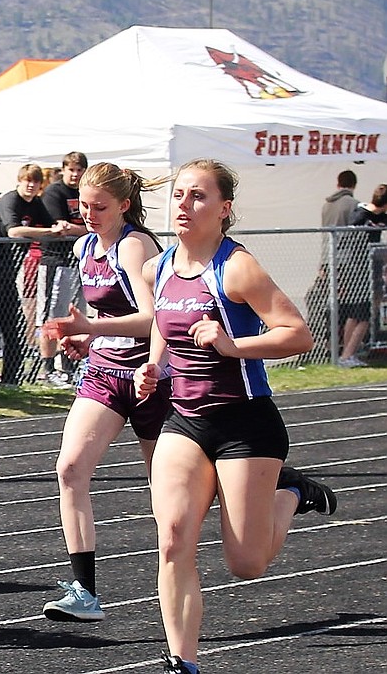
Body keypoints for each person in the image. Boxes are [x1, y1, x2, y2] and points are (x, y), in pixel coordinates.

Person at [134, 159, 336, 674]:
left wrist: (231, 345)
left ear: (224, 209)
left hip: (246, 423)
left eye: (197, 196)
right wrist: (153, 365)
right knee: (174, 537)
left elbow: (297, 333)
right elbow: (163, 320)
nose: (183, 204)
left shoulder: (237, 267)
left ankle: (291, 492)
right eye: (178, 194)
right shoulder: (157, 267)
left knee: (246, 564)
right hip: (184, 420)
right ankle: (182, 660)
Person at [37, 162, 168, 623]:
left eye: (99, 207)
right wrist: (88, 339)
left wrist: (93, 326)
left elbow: (155, 319)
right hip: (106, 374)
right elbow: (109, 318)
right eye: (83, 206)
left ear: (124, 206)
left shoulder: (135, 246)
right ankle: (84, 591)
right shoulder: (84, 246)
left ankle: (277, 484)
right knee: (70, 469)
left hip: (153, 376)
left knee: (171, 494)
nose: (89, 214)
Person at [0, 164, 68, 391]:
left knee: (14, 327)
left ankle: (10, 380)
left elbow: (52, 221)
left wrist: (59, 225)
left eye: (35, 182)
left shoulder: (36, 203)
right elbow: (14, 231)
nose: (30, 185)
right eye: (27, 180)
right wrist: (50, 232)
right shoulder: (11, 201)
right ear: (19, 181)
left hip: (9, 274)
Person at [38, 151, 89, 388]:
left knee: (75, 316)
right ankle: (48, 368)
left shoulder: (85, 192)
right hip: (57, 261)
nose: (75, 174)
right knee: (52, 315)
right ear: (64, 169)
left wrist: (81, 230)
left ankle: (67, 365)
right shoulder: (54, 192)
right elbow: (61, 227)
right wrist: (83, 230)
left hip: (79, 262)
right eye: (71, 169)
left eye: (79, 170)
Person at [307, 170, 360, 361]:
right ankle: (344, 351)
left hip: (328, 259)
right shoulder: (353, 205)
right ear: (353, 185)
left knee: (332, 303)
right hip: (346, 261)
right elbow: (356, 235)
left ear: (338, 184)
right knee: (350, 305)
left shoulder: (327, 205)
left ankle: (330, 346)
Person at [335, 183, 387, 367]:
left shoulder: (381, 216)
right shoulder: (361, 214)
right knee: (361, 316)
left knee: (358, 314)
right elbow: (349, 237)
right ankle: (346, 355)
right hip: (357, 269)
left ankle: (348, 354)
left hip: (371, 269)